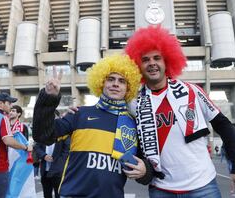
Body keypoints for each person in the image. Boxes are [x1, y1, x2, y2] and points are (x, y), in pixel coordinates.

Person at [124, 25, 235, 198]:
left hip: (203, 186)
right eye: (145, 59)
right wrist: (75, 113)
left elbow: (223, 125)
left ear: (166, 61)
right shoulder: (133, 101)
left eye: (157, 58)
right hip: (160, 189)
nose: (152, 63)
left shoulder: (192, 91)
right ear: (138, 65)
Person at [32, 54, 151, 198]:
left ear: (128, 88)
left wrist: (145, 171)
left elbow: (145, 166)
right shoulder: (80, 114)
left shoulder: (133, 124)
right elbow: (42, 135)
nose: (115, 84)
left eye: (122, 81)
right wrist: (48, 98)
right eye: (110, 79)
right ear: (101, 82)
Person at [34, 110, 70, 198]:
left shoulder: (64, 133)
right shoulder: (43, 132)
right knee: (46, 194)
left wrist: (58, 165)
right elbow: (37, 146)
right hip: (45, 170)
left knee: (59, 195)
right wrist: (44, 156)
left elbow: (67, 150)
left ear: (57, 118)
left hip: (58, 171)